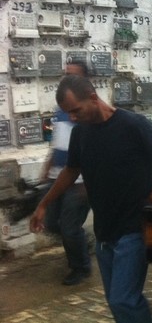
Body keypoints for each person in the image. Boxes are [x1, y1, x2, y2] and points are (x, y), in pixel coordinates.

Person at [30, 75, 152, 323]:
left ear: (94, 98)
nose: (73, 118)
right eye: (69, 113)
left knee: (124, 299)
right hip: (104, 232)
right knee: (116, 302)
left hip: (134, 229)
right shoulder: (81, 134)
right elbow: (70, 171)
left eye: (76, 110)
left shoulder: (132, 124)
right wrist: (44, 203)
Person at [39, 61, 91, 286]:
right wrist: (48, 166)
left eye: (72, 75)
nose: (66, 79)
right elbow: (57, 141)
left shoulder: (89, 112)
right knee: (51, 223)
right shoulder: (61, 109)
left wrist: (87, 183)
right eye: (65, 74)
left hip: (79, 181)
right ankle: (81, 242)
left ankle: (80, 267)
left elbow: (94, 151)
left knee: (69, 227)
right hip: (58, 177)